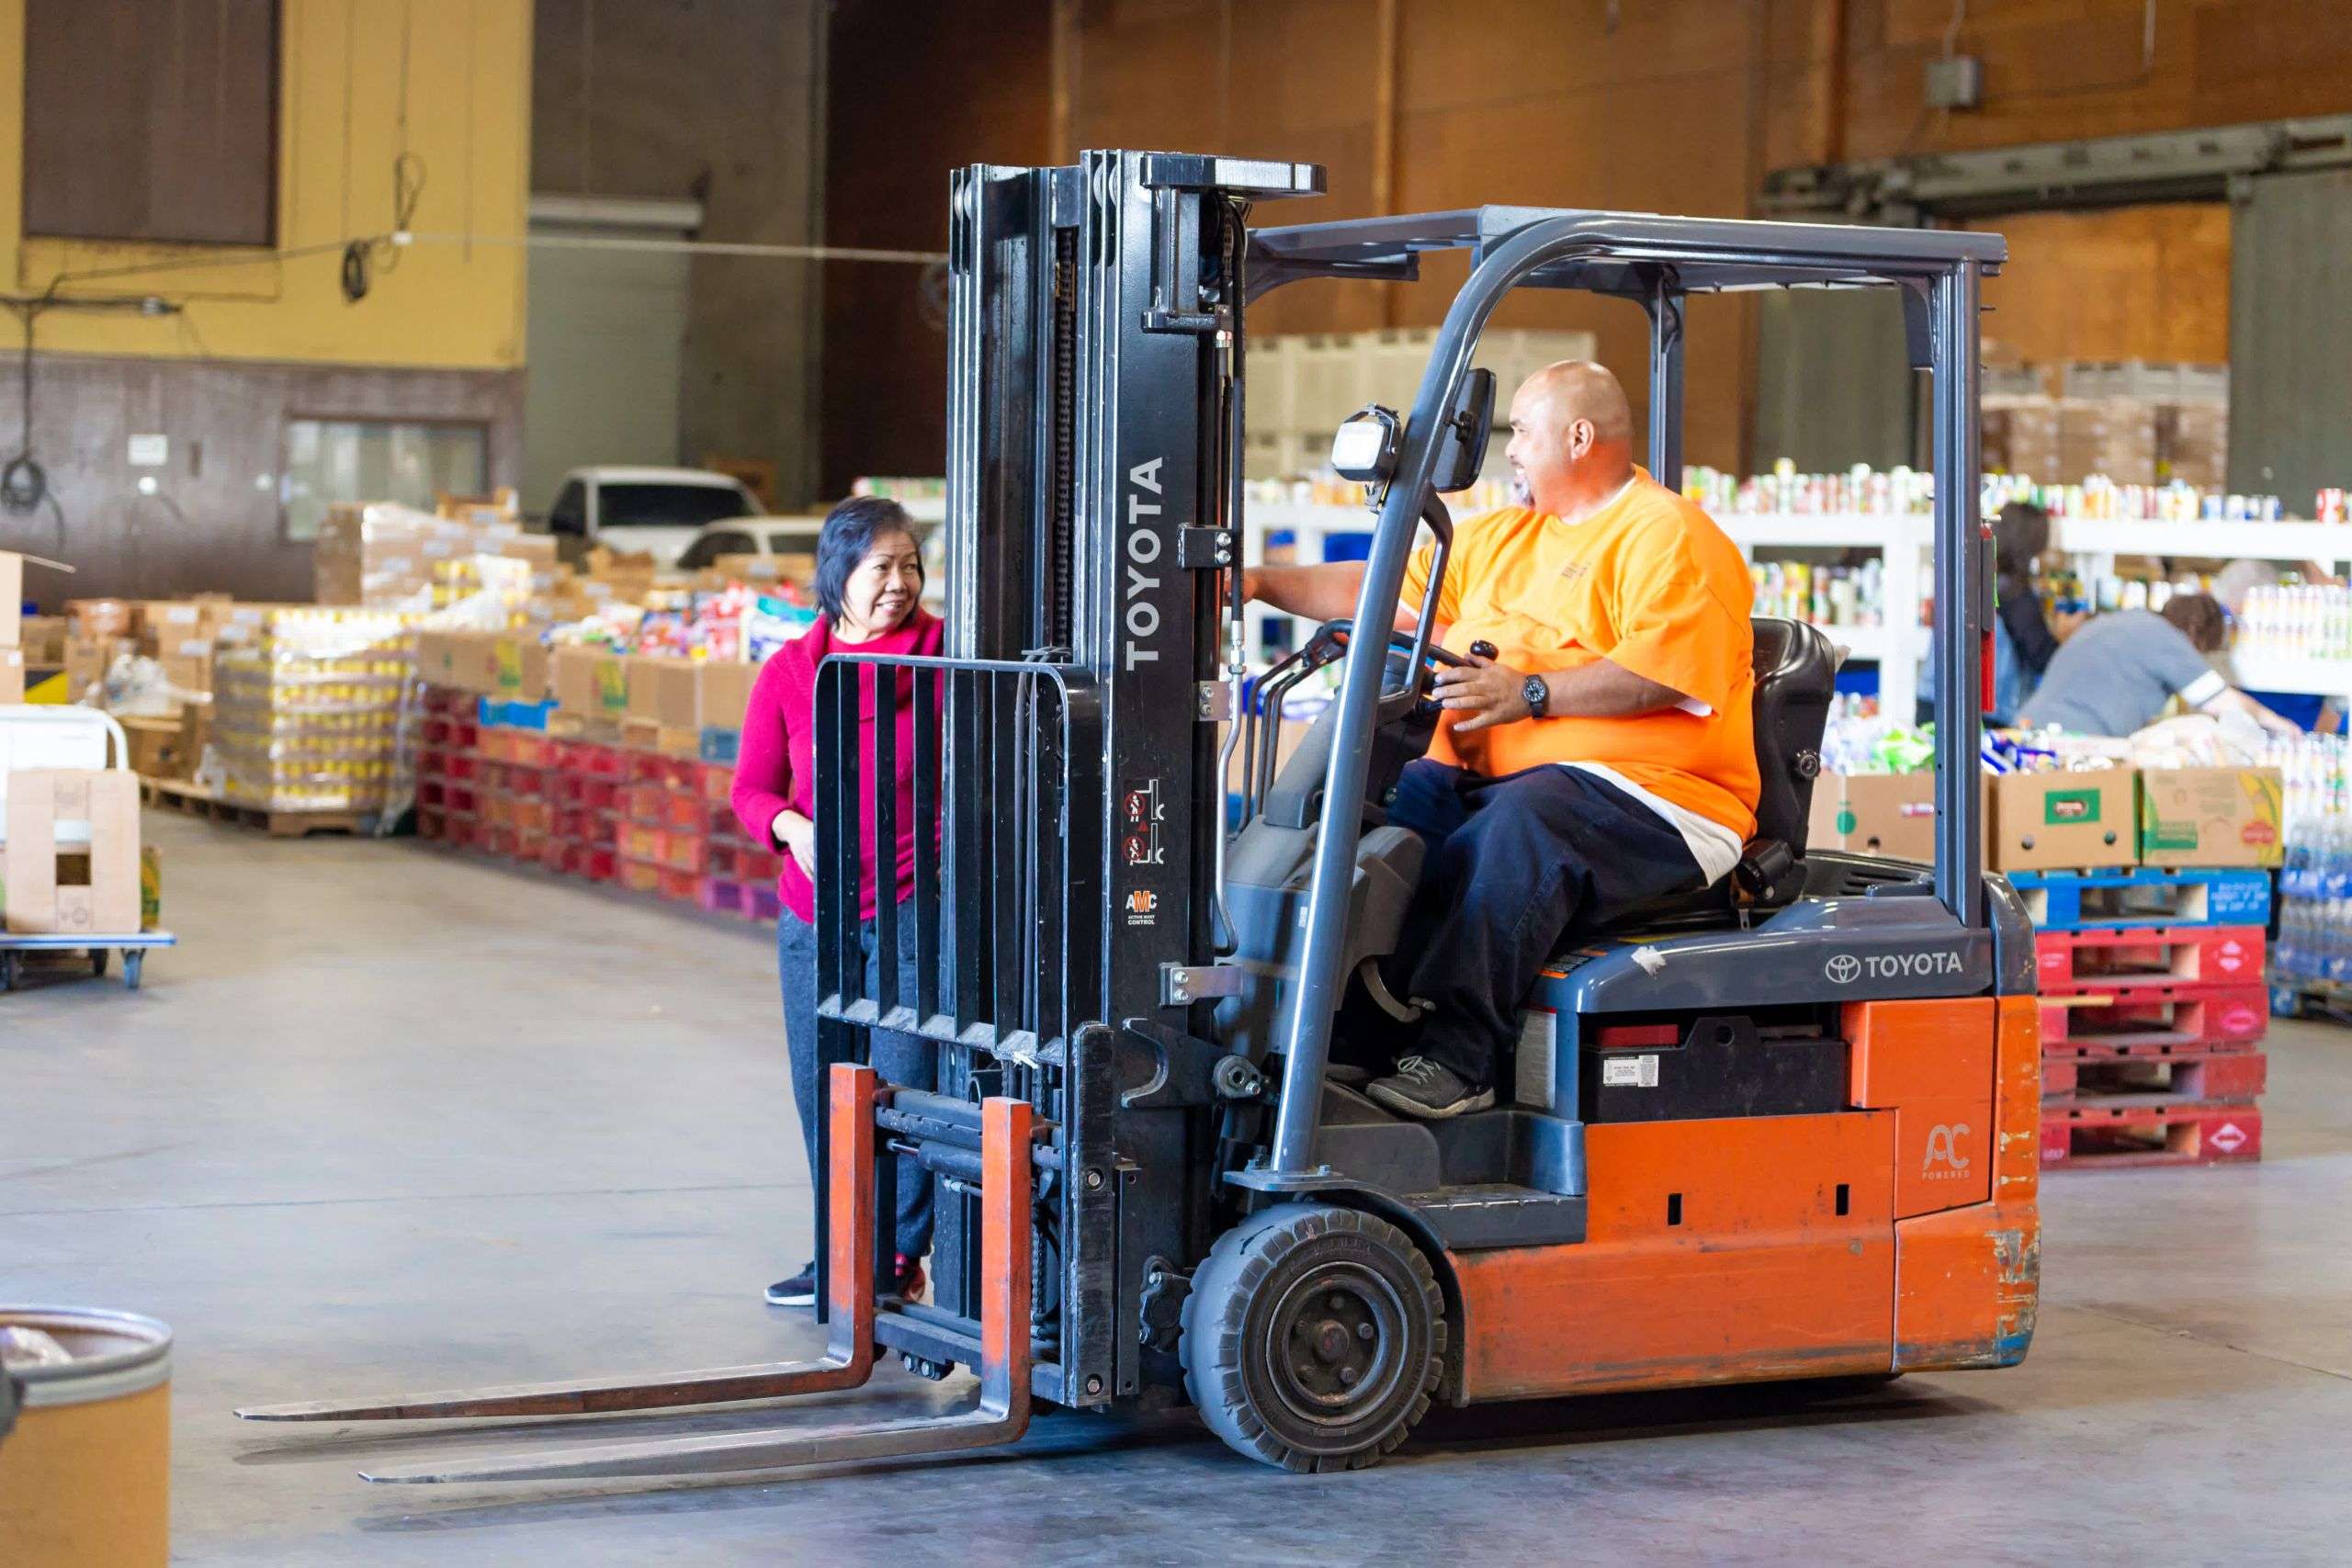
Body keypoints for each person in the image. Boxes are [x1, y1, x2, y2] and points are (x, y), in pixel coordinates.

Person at [1245, 361, 1759, 1119]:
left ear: (1579, 437)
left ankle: (1462, 1056)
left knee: (1520, 827)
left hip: (1659, 794)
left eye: (1522, 430)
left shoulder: (1667, 535)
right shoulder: (1509, 536)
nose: (1510, 449)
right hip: (1504, 777)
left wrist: (1532, 692)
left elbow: (1661, 675)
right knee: (1390, 808)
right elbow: (1378, 589)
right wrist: (1258, 580)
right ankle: (1363, 1027)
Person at [731, 497, 941, 1306]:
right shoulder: (793, 671)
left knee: (904, 1088)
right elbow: (750, 788)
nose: (899, 582)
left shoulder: (945, 658)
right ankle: (839, 1245)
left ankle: (896, 1257)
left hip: (911, 910)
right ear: (837, 574)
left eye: (909, 564)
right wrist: (789, 824)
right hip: (813, 916)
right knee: (825, 1086)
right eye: (880, 567)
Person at [2016, 592, 2297, 739]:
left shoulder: (2122, 622)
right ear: (2194, 636)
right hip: (2075, 738)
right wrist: (2278, 723)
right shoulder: (2166, 638)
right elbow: (2219, 699)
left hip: (2027, 727)